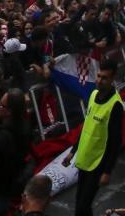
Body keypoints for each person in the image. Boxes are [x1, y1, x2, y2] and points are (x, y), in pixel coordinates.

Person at [64, 60, 123, 216]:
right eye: (98, 76)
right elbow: (87, 126)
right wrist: (73, 151)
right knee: (80, 203)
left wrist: (107, 171)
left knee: (83, 205)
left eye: (104, 78)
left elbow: (115, 142)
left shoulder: (116, 106)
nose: (99, 80)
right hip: (84, 157)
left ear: (112, 79)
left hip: (98, 162)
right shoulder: (93, 94)